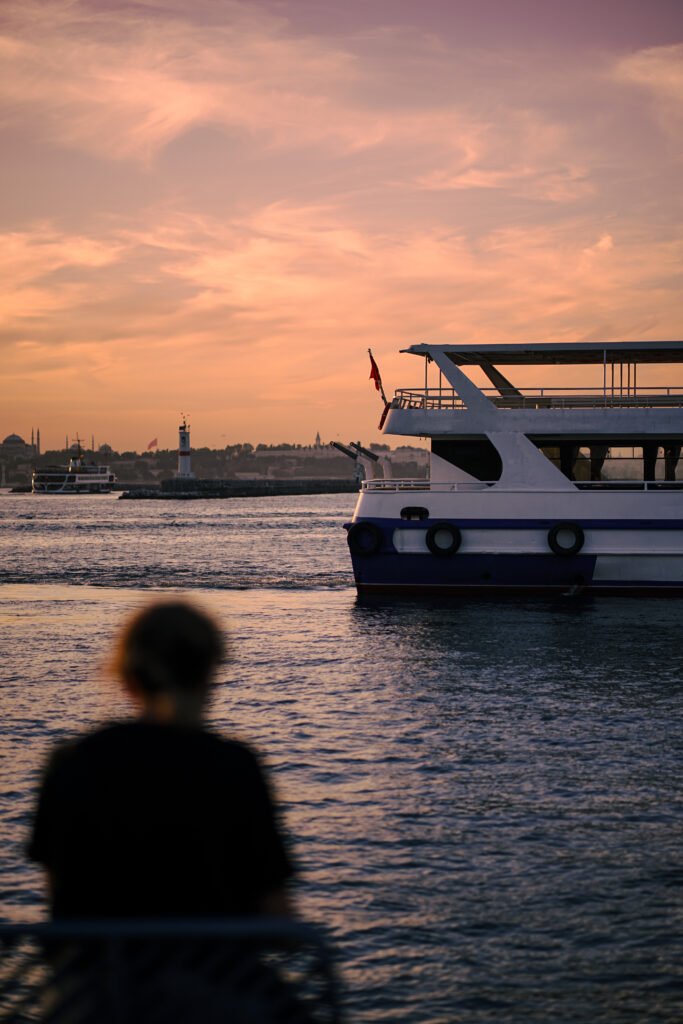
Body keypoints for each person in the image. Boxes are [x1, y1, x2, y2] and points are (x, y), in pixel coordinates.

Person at [28, 600, 295, 920]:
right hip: (218, 966)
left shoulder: (72, 762)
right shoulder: (236, 766)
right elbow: (276, 913)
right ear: (208, 674)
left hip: (98, 966)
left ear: (127, 677)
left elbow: (60, 903)